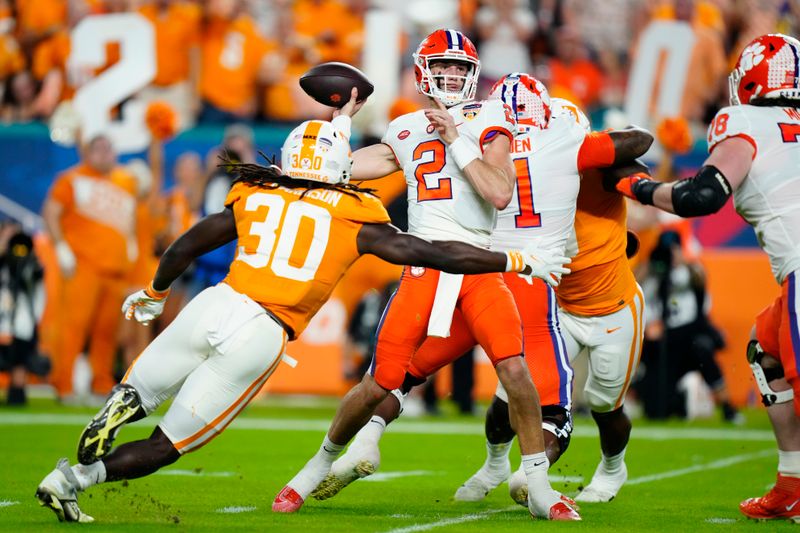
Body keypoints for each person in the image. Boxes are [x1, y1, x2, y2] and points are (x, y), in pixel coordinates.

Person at [34, 97, 567, 524]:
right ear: (341, 167)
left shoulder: (256, 189)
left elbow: (187, 243)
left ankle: (101, 430)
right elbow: (434, 251)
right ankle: (80, 479)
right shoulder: (353, 212)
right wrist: (513, 257)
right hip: (264, 329)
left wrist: (154, 292)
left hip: (217, 302)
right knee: (167, 444)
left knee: (140, 391)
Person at [274, 30, 580, 521]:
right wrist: (332, 136)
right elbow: (348, 168)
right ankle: (314, 468)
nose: (453, 75)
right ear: (423, 71)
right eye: (444, 66)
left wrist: (455, 139)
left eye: (461, 68)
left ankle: (539, 484)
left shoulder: (491, 118)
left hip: (479, 266)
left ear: (474, 74)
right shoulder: (404, 126)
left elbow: (498, 192)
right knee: (380, 382)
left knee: (515, 370)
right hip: (425, 267)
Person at [307, 78, 652, 506]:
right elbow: (636, 141)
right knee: (538, 397)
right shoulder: (565, 141)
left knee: (409, 371)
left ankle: (366, 439)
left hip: (473, 270)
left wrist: (339, 128)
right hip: (529, 283)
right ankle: (526, 477)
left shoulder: (474, 133)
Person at [604, 33, 800, 522]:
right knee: (766, 343)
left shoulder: (744, 120)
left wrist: (637, 186)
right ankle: (792, 481)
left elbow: (701, 198)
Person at [41, 134, 138, 402]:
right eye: (100, 148)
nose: (106, 153)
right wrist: (60, 247)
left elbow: (128, 221)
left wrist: (130, 246)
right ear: (88, 152)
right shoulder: (73, 179)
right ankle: (63, 385)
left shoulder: (123, 182)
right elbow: (51, 211)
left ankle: (101, 384)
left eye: (110, 148)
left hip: (115, 270)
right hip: (84, 266)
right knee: (73, 327)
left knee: (107, 334)